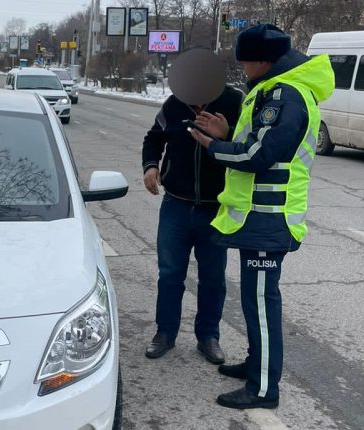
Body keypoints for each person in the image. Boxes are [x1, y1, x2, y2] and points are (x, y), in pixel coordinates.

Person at [189, 24, 335, 409]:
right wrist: (226, 133)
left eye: (244, 61)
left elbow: (258, 156)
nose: (242, 69)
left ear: (261, 60)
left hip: (270, 220)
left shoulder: (286, 96)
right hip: (257, 220)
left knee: (262, 304)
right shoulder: (273, 90)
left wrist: (214, 146)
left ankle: (264, 388)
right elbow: (255, 142)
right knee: (255, 301)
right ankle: (257, 365)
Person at [142, 65, 243, 362]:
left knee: (213, 278)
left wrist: (227, 134)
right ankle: (165, 333)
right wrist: (150, 165)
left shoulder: (234, 103)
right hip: (176, 204)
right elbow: (153, 138)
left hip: (216, 206)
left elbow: (249, 145)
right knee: (170, 274)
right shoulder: (174, 105)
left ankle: (209, 337)